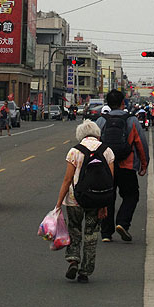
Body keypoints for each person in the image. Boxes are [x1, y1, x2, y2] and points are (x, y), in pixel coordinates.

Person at [54, 120, 115, 283]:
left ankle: (73, 259)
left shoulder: (74, 151)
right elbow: (109, 181)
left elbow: (67, 180)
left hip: (75, 199)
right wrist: (104, 205)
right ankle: (85, 271)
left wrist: (59, 203)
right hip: (97, 199)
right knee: (91, 234)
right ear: (97, 134)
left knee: (74, 229)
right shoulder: (107, 151)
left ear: (80, 135)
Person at [96, 89, 149, 243]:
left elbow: (94, 143)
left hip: (106, 166)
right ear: (122, 103)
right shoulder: (131, 121)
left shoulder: (101, 121)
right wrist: (144, 165)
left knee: (108, 197)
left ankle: (106, 233)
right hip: (127, 165)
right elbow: (141, 144)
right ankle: (122, 223)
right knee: (131, 195)